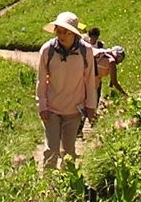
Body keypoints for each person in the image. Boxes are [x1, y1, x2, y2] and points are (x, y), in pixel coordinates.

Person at [35, 11, 96, 170]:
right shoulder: (48, 50)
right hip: (52, 108)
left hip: (74, 110)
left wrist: (91, 106)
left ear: (74, 33)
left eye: (65, 32)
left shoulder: (86, 51)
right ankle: (48, 186)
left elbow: (90, 80)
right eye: (58, 31)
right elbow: (41, 80)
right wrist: (42, 105)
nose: (61, 35)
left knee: (68, 152)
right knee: (51, 150)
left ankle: (68, 185)